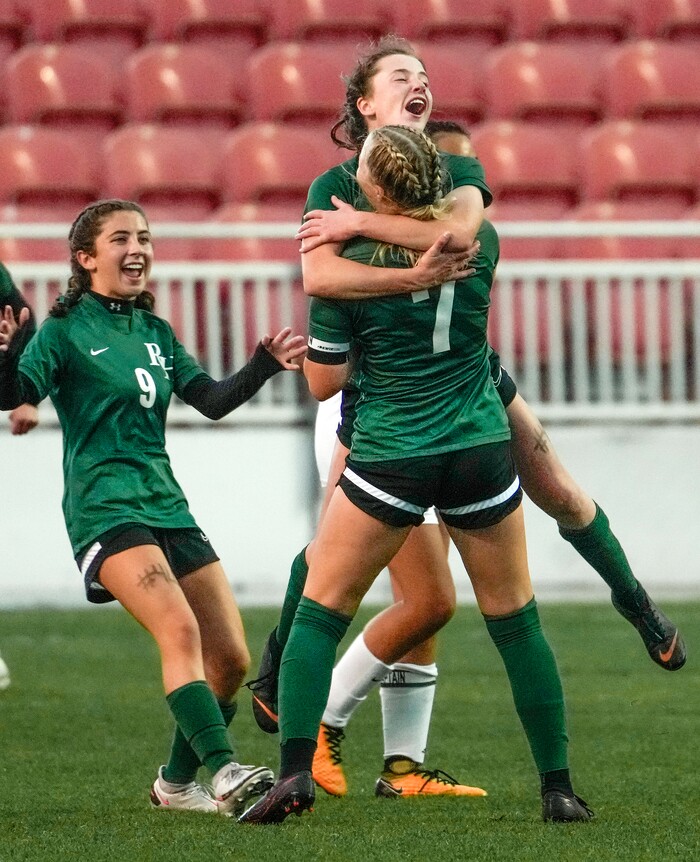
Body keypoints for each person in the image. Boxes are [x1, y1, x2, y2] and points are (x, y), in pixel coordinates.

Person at [247, 39, 684, 804]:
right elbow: (461, 242)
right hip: (458, 417)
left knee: (352, 580)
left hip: (394, 415)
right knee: (474, 597)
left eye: (424, 75)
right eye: (401, 77)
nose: (421, 84)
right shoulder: (375, 181)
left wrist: (377, 249)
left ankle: (302, 744)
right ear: (365, 106)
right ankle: (545, 781)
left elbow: (328, 311)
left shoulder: (447, 161)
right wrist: (420, 266)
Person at [240, 124, 595, 826]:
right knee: (517, 623)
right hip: (477, 447)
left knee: (318, 612)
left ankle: (292, 775)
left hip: (392, 452)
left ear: (371, 189)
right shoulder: (479, 241)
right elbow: (457, 233)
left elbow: (325, 382)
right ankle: (557, 787)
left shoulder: (346, 267)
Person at [0, 199, 307, 815]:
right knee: (179, 630)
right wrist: (5, 355)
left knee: (230, 657)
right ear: (86, 258)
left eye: (144, 236)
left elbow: (211, 401)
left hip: (167, 505)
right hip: (104, 510)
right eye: (120, 239)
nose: (137, 248)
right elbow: (15, 393)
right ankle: (224, 775)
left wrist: (263, 366)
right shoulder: (61, 333)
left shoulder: (157, 332)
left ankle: (173, 784)